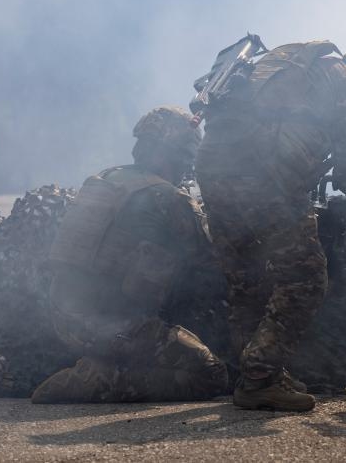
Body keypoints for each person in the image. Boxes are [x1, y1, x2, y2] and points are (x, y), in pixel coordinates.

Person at [195, 34, 346, 411]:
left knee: (246, 280)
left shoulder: (309, 63)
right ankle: (259, 378)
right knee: (306, 279)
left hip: (215, 171)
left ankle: (255, 374)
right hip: (269, 182)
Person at [31, 106, 228, 403]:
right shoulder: (168, 197)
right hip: (108, 325)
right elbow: (215, 258)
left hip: (63, 315)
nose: (187, 168)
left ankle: (108, 365)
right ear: (173, 154)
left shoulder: (108, 179)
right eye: (186, 158)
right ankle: (98, 380)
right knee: (211, 372)